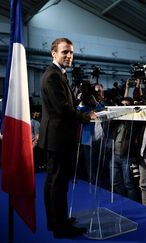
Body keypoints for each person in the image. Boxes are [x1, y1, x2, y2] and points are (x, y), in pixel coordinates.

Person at [38, 37, 97, 239]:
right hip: (58, 138)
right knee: (57, 183)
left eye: (71, 52)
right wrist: (86, 116)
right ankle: (60, 226)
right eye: (65, 52)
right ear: (54, 53)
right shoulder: (52, 76)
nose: (69, 56)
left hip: (58, 136)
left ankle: (57, 221)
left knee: (56, 182)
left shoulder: (58, 75)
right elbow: (63, 109)